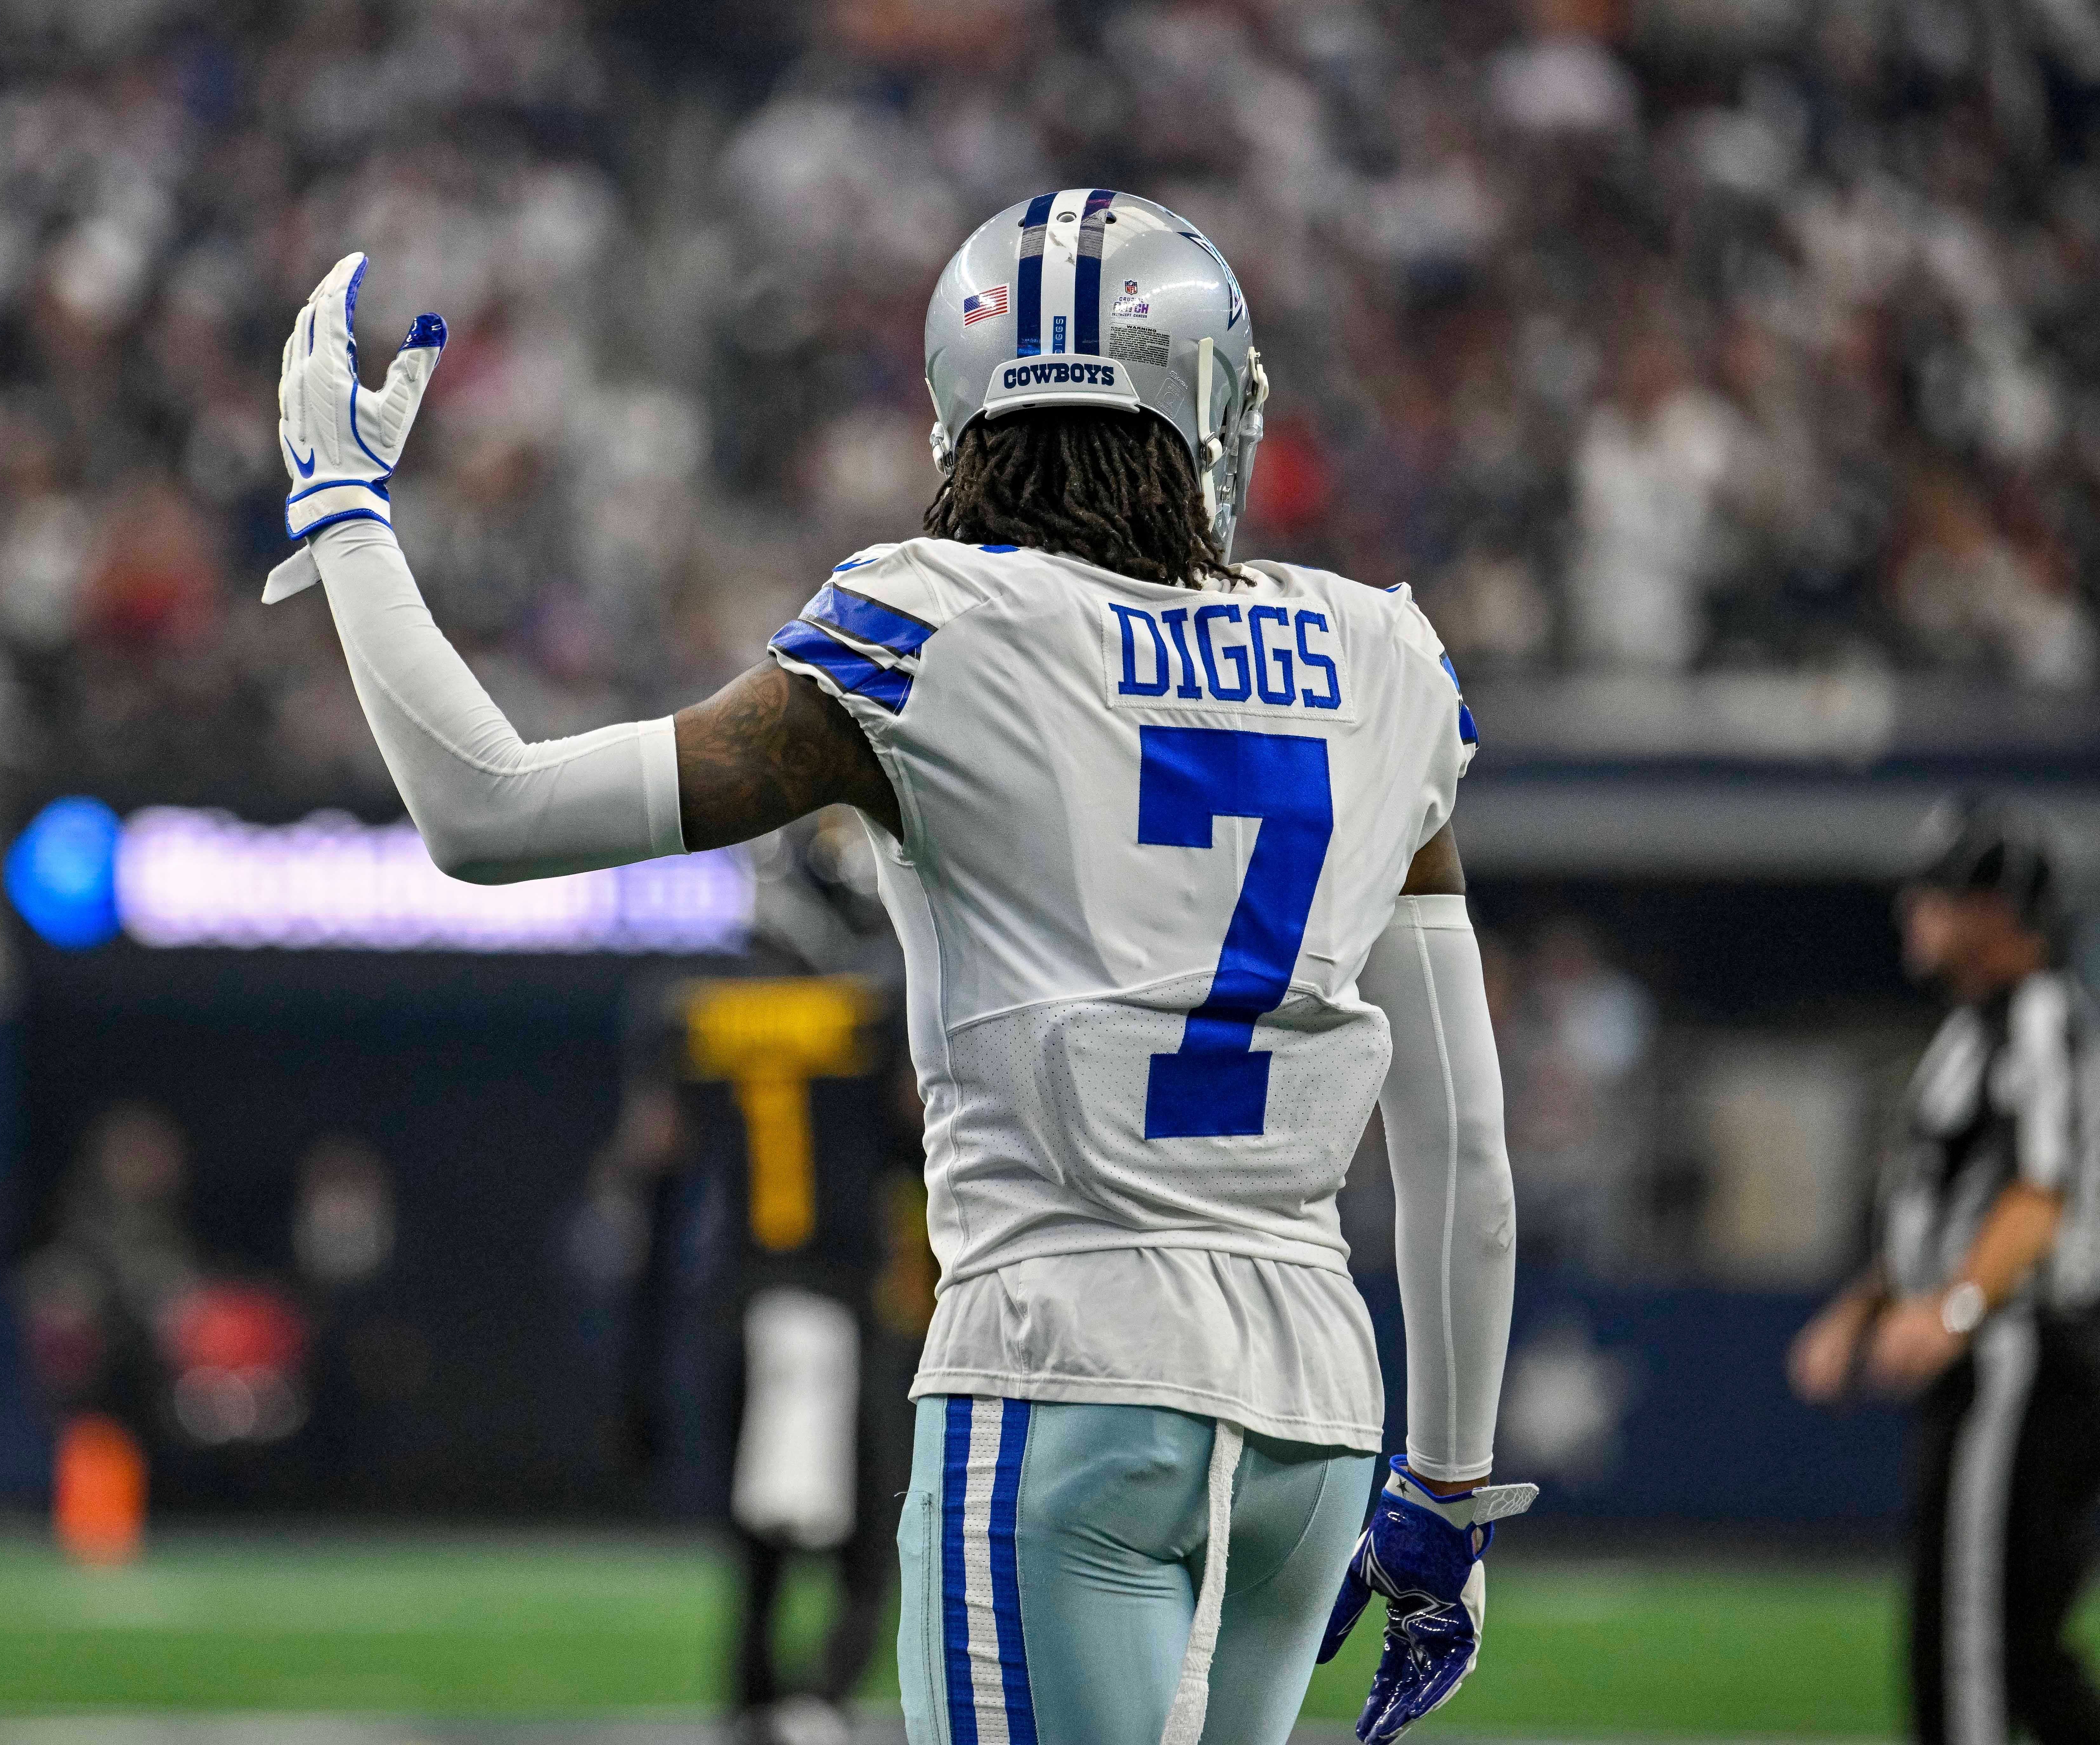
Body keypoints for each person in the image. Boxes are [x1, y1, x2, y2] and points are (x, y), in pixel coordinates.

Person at [264, 191, 1530, 1744]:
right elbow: (1463, 1145)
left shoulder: (934, 627)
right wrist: (1449, 1487)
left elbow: (484, 810)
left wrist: (344, 518)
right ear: (1211, 404)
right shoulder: (1384, 659)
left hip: (1062, 1362)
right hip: (1316, 1418)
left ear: (961, 416)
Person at [587, 820, 925, 1745]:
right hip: (840, 1297)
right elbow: (930, 1157)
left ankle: (753, 1708)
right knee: (865, 1543)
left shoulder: (687, 1006)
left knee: (758, 1540)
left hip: (735, 1298)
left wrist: (632, 1372)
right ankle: (812, 1703)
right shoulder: (872, 1011)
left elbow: (649, 1186)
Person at [1790, 801, 2100, 1745]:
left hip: (2021, 1357)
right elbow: (1945, 1207)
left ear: (2003, 911)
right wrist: (1863, 1306)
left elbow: (2040, 1194)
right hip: (1993, 1352)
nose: (1916, 911)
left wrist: (1956, 1308)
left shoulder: (2043, 1017)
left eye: (1942, 892)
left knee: (1964, 1644)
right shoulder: (1972, 1035)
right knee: (2020, 1652)